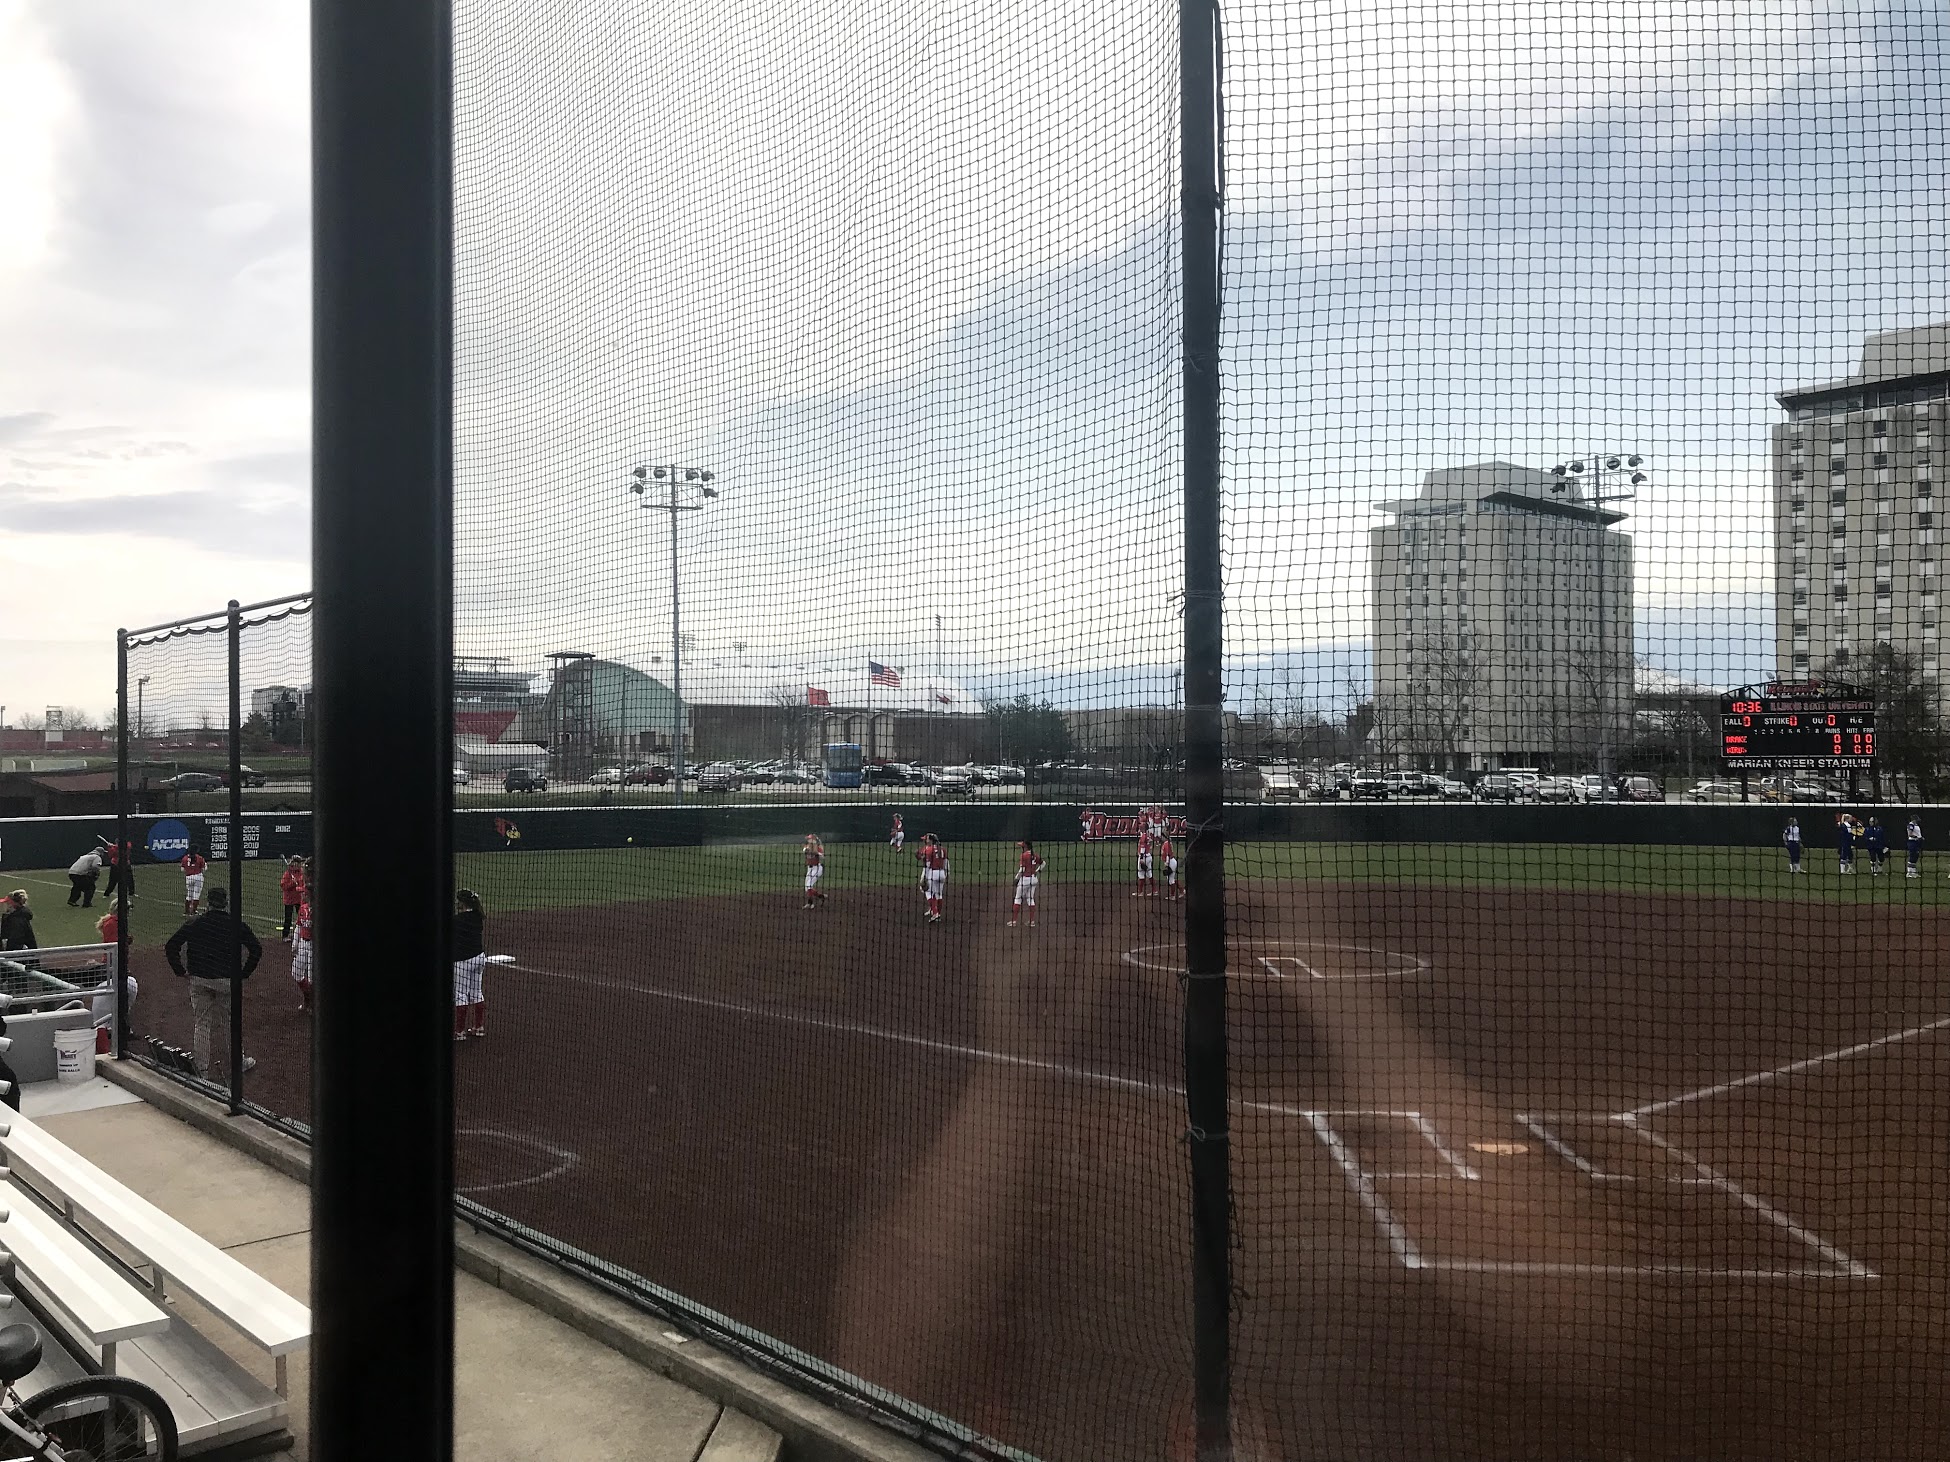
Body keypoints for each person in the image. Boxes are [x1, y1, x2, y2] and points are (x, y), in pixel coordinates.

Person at [163, 886, 261, 1081]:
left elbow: (171, 945)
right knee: (230, 1022)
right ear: (226, 903)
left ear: (208, 903)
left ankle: (202, 1070)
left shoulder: (195, 922)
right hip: (227, 981)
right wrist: (244, 974)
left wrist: (180, 970)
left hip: (199, 980)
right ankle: (238, 1061)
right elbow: (256, 949)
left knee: (202, 1023)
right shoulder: (235, 923)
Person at [453, 888, 487, 1040]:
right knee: (476, 992)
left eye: (458, 900)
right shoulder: (478, 916)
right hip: (479, 958)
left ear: (463, 903)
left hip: (463, 961)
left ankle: (459, 1032)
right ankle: (479, 1028)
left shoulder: (458, 920)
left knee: (461, 994)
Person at [290, 867, 315, 1011]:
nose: (302, 895)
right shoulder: (303, 908)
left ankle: (313, 1004)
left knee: (312, 977)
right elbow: (299, 926)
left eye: (304, 893)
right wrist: (295, 943)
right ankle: (308, 998)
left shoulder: (319, 910)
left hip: (314, 947)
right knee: (296, 972)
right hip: (303, 945)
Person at [915, 834, 949, 923]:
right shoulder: (943, 849)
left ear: (931, 840)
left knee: (929, 893)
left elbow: (928, 864)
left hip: (933, 873)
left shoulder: (929, 849)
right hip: (942, 873)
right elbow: (946, 862)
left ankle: (935, 913)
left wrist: (925, 876)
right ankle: (938, 913)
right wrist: (947, 874)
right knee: (939, 894)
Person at [1010, 840, 1045, 927]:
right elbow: (1043, 863)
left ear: (1025, 846)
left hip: (1025, 879)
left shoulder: (1024, 855)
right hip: (1034, 879)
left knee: (1018, 898)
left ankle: (1014, 921)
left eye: (1022, 846)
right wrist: (1037, 871)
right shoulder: (1035, 855)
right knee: (1030, 899)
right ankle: (1032, 922)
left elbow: (1022, 869)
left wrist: (1016, 878)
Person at [279, 856, 305, 939]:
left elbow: (303, 883)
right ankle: (285, 935)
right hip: (289, 899)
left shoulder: (301, 872)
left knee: (302, 917)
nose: (300, 864)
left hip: (299, 899)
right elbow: (283, 886)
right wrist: (292, 883)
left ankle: (302, 934)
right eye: (299, 863)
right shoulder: (288, 874)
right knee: (288, 919)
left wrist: (300, 887)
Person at [802, 835, 829, 910]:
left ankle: (810, 903)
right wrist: (813, 851)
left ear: (813, 840)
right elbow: (805, 850)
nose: (808, 840)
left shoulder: (818, 848)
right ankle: (821, 896)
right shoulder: (806, 846)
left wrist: (817, 853)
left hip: (817, 869)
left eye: (809, 839)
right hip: (809, 869)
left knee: (809, 885)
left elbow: (822, 857)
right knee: (807, 888)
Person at [180, 847, 208, 915]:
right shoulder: (200, 858)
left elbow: (182, 869)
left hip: (189, 877)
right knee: (196, 895)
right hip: (198, 877)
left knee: (189, 895)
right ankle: (193, 911)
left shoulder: (185, 858)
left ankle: (186, 912)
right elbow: (204, 868)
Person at [1159, 834, 1182, 900]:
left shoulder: (1166, 843)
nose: (1161, 837)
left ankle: (1172, 896)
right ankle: (1182, 890)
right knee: (1172, 878)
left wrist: (1166, 864)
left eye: (1162, 836)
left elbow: (1168, 854)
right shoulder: (1167, 843)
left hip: (1170, 862)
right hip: (1171, 861)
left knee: (1171, 880)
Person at [1135, 829, 1156, 898]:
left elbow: (1142, 848)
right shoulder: (1148, 835)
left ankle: (1140, 892)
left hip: (1144, 857)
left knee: (1141, 874)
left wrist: (1141, 858)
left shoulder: (1144, 836)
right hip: (1149, 856)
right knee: (1149, 874)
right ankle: (1154, 891)